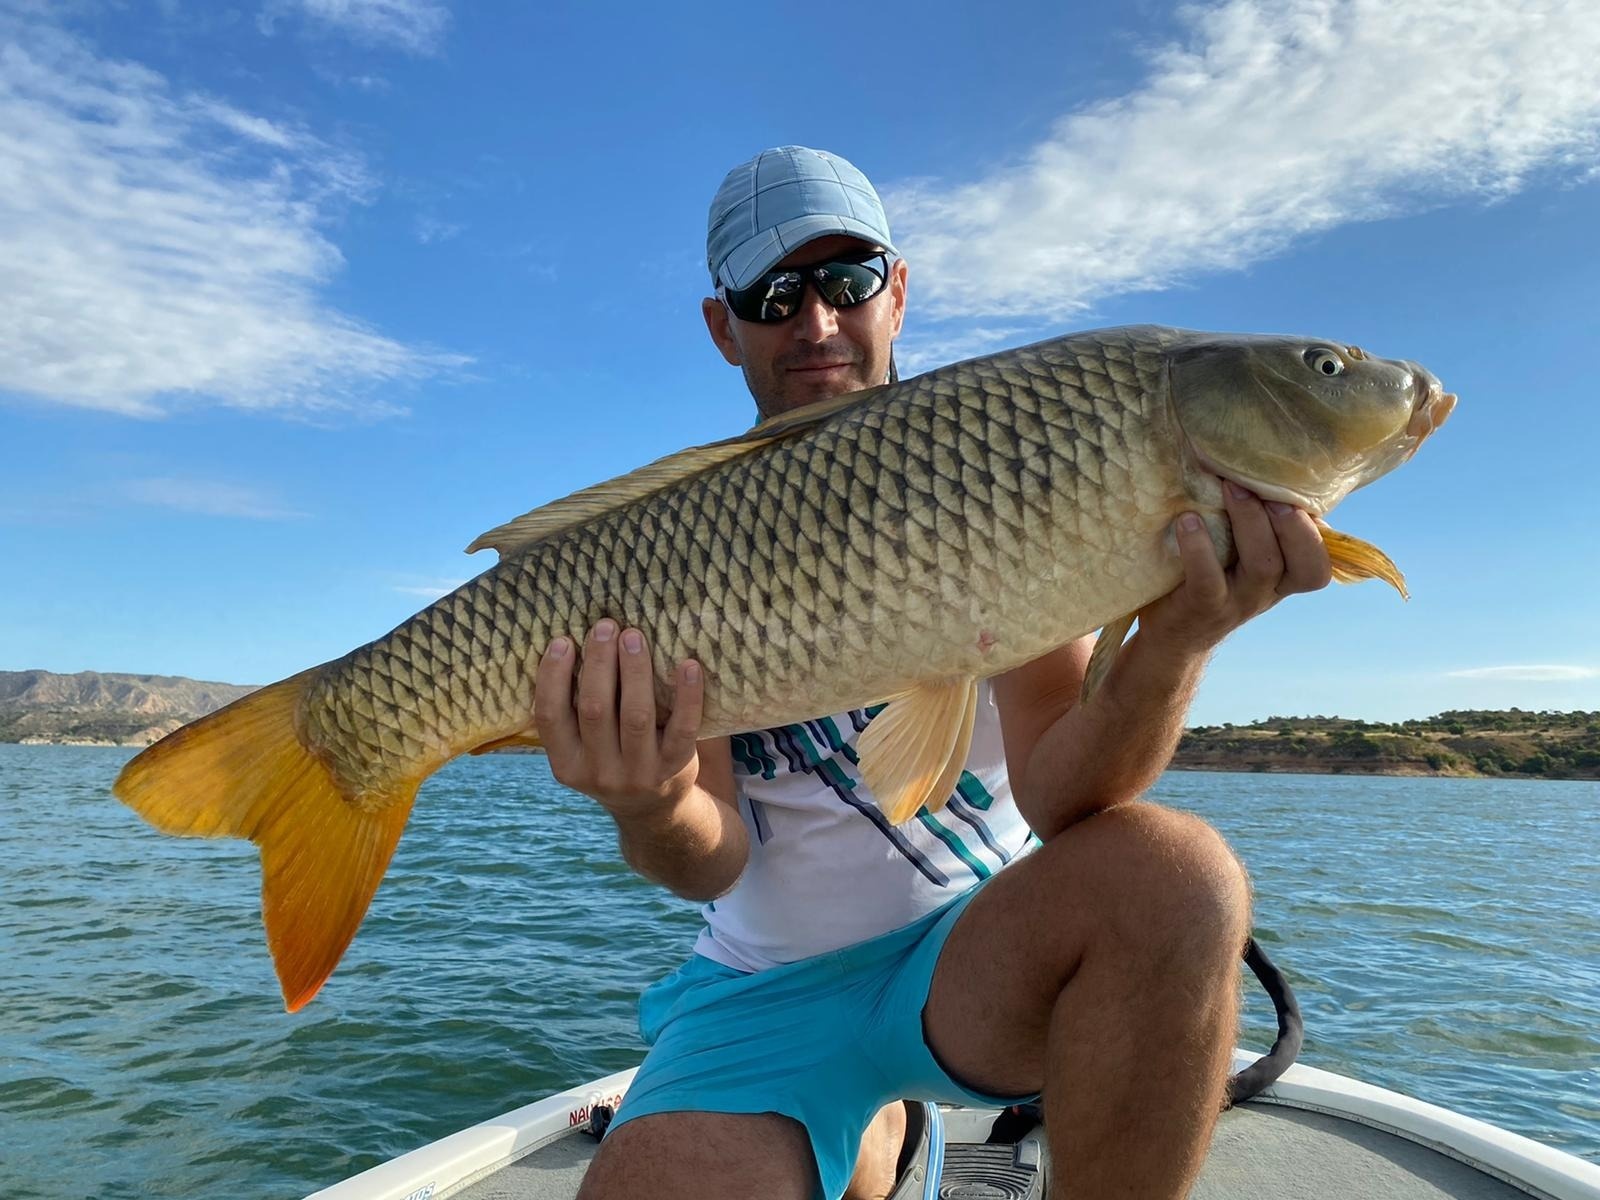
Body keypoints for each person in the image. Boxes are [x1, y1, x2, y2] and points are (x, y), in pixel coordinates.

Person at [533, 146, 1334, 1200]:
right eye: (771, 296)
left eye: (848, 280)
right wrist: (650, 803)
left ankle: (886, 1121)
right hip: (757, 987)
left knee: (1178, 872)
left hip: (968, 969)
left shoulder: (999, 463)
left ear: (897, 293)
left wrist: (1175, 643)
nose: (815, 322)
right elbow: (706, 861)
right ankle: (884, 1136)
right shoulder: (690, 540)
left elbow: (1064, 793)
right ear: (723, 327)